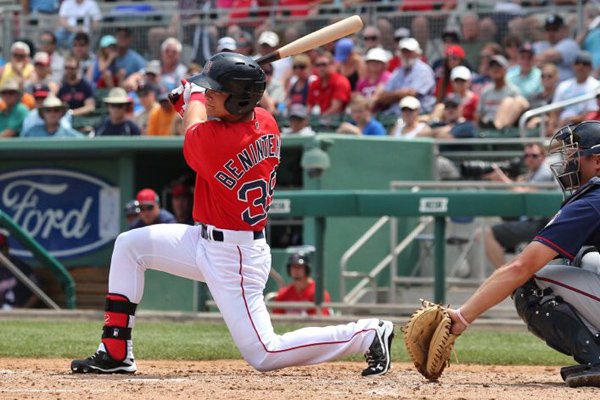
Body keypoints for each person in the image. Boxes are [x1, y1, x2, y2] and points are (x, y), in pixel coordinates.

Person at [71, 52, 395, 377]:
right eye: (208, 90)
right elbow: (207, 121)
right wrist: (194, 98)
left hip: (235, 256)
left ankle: (367, 334)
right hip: (204, 240)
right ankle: (115, 351)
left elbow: (199, 129)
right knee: (130, 246)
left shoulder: (218, 141)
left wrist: (192, 95)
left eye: (216, 91)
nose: (209, 94)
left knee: (264, 352)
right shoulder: (265, 120)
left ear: (240, 101)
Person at [446, 121, 600, 388]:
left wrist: (462, 316)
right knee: (586, 259)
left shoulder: (592, 200)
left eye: (573, 154)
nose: (566, 162)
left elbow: (521, 267)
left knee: (532, 281)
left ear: (596, 161)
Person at [478, 143, 556, 269]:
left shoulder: (544, 171)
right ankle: (508, 277)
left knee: (483, 234)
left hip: (541, 224)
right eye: (526, 155)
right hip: (531, 221)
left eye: (534, 155)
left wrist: (503, 180)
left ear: (542, 157)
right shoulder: (532, 172)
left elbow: (526, 192)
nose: (529, 158)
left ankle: (505, 278)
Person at [372, 38, 436, 116]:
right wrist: (400, 93)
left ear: (417, 53)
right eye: (403, 52)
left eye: (409, 52)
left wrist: (392, 96)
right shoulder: (398, 71)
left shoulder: (424, 70)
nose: (406, 55)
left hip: (418, 114)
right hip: (394, 113)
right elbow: (383, 96)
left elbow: (411, 94)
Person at [548, 51, 600, 134]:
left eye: (585, 64)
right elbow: (555, 110)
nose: (581, 66)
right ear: (573, 65)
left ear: (590, 67)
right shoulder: (564, 85)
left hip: (584, 128)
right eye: (578, 63)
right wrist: (551, 126)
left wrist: (572, 119)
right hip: (562, 127)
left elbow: (593, 113)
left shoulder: (596, 86)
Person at [475, 55, 528, 131]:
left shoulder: (513, 91)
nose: (495, 70)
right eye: (492, 67)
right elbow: (478, 115)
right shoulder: (485, 92)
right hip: (486, 127)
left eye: (498, 67)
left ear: (505, 69)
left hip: (504, 129)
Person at [534, 14, 580, 82]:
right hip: (542, 89)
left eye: (555, 29)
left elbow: (550, 56)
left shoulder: (570, 44)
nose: (551, 32)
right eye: (548, 29)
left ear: (564, 29)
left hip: (566, 88)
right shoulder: (538, 45)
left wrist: (537, 60)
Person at [0, 231, 38, 309]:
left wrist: (23, 310)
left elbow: (39, 290)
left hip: (15, 310)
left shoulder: (20, 267)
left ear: (7, 248)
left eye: (1, 248)